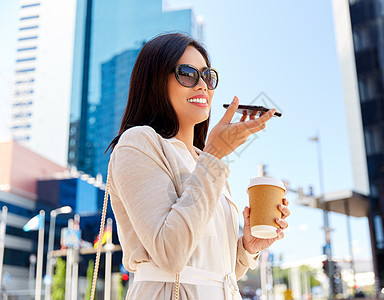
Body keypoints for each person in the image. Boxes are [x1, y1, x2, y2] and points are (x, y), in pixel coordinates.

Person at [106, 33, 290, 300]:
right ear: (155, 80)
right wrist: (215, 154)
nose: (202, 85)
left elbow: (218, 269)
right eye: (188, 73)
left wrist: (248, 247)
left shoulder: (204, 160)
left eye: (208, 76)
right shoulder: (139, 143)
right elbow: (171, 253)